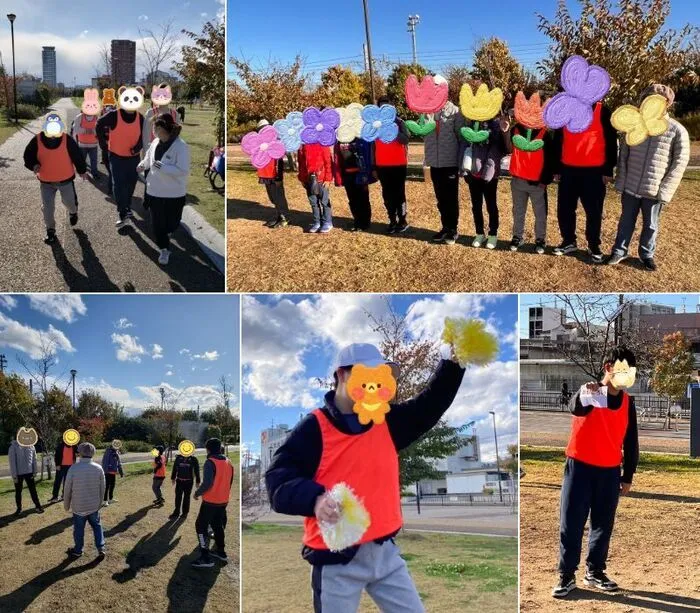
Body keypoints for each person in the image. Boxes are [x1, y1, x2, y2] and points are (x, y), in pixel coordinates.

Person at [265, 342, 466, 612]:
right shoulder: (314, 428)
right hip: (335, 560)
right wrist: (315, 500)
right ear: (341, 375)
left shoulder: (387, 421)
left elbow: (428, 407)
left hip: (385, 553)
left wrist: (453, 363)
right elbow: (277, 480)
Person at [553, 347, 639, 598]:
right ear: (608, 368)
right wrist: (583, 393)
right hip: (579, 468)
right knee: (572, 523)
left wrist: (627, 476)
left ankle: (595, 571)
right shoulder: (593, 393)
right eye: (621, 370)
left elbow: (631, 441)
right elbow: (575, 408)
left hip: (609, 471)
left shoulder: (627, 402)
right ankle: (566, 575)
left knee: (603, 524)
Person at [607, 84, 690, 271]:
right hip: (630, 187)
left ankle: (646, 254)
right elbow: (624, 156)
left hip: (654, 190)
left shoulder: (677, 130)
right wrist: (621, 180)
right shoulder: (633, 125)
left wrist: (665, 190)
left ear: (667, 104)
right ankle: (620, 251)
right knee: (625, 221)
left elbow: (680, 163)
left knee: (651, 225)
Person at [551, 99, 617, 262]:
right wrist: (557, 168)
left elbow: (611, 141)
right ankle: (568, 241)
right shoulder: (566, 109)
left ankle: (594, 245)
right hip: (568, 170)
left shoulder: (603, 111)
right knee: (565, 209)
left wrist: (608, 169)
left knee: (594, 211)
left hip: (594, 172)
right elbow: (558, 139)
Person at [23, 114, 88, 245]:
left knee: (69, 203)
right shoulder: (37, 140)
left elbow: (77, 155)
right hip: (46, 182)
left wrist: (82, 170)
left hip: (65, 180)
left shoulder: (67, 139)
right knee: (48, 208)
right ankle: (50, 231)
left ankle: (73, 212)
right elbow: (27, 155)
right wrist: (34, 164)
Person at [137, 113, 191, 265]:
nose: (153, 130)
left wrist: (162, 167)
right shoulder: (155, 142)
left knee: (173, 224)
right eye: (153, 127)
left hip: (174, 194)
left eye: (156, 128)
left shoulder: (181, 146)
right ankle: (164, 249)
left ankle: (167, 232)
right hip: (155, 191)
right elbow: (149, 158)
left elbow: (183, 170)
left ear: (164, 129)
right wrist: (142, 165)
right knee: (157, 225)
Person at [505, 109, 556, 254]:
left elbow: (550, 159)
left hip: (537, 184)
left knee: (540, 213)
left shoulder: (544, 134)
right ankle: (517, 237)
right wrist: (505, 130)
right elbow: (507, 148)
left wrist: (545, 180)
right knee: (518, 211)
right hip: (518, 181)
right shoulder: (515, 130)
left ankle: (540, 239)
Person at [96, 86, 145, 228]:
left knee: (130, 185)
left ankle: (127, 207)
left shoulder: (140, 118)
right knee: (118, 186)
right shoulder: (113, 115)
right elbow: (99, 124)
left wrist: (138, 147)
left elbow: (144, 135)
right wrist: (103, 144)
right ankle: (122, 212)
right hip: (116, 157)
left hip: (133, 158)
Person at [462, 116, 508, 249]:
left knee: (491, 205)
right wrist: (465, 170)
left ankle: (493, 234)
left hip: (490, 175)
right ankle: (479, 233)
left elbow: (503, 149)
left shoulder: (496, 124)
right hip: (473, 173)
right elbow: (465, 146)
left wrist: (502, 131)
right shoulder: (471, 124)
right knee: (476, 206)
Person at [423, 99, 466, 245]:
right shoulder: (427, 111)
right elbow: (422, 134)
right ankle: (445, 227)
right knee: (441, 199)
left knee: (451, 198)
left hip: (450, 163)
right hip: (435, 163)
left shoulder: (455, 112)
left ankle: (453, 230)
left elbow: (461, 137)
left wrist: (461, 163)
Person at [192, 438, 234, 568]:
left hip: (211, 501)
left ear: (208, 449)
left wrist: (197, 493)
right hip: (223, 501)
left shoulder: (210, 462)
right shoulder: (229, 462)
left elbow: (207, 483)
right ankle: (221, 551)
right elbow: (230, 482)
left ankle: (205, 557)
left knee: (200, 526)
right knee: (217, 525)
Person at [373, 95, 410, 233]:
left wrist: (393, 130)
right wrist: (373, 166)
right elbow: (372, 146)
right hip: (382, 165)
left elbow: (405, 140)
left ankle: (402, 220)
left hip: (398, 165)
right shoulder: (375, 124)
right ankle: (392, 220)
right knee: (387, 194)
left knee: (399, 193)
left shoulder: (399, 122)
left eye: (387, 106)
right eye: (381, 106)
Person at [64, 442, 106, 559]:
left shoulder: (73, 468)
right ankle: (101, 547)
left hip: (79, 506)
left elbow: (67, 489)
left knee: (78, 529)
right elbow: (102, 488)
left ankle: (78, 550)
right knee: (97, 526)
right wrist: (100, 503)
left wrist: (66, 505)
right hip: (93, 506)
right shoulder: (98, 468)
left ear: (79, 453)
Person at [334, 137, 375, 232]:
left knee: (363, 199)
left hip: (361, 173)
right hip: (347, 174)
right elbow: (337, 157)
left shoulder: (361, 137)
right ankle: (357, 221)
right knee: (352, 200)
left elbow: (368, 154)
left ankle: (365, 223)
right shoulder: (340, 139)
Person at [255, 119, 290, 229]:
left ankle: (285, 217)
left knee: (278, 196)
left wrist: (278, 176)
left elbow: (279, 161)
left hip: (274, 174)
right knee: (272, 197)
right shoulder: (261, 144)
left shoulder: (276, 143)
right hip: (265, 174)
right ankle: (278, 215)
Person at [298, 142, 334, 234]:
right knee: (313, 202)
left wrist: (328, 178)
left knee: (324, 201)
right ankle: (317, 222)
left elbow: (328, 162)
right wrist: (302, 178)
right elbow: (301, 163)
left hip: (321, 179)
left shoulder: (322, 144)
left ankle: (327, 222)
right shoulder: (302, 146)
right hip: (309, 180)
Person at [9, 437, 44, 515]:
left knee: (33, 490)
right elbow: (12, 462)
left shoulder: (31, 446)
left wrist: (35, 470)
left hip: (29, 473)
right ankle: (19, 509)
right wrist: (14, 476)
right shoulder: (13, 446)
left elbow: (34, 459)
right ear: (18, 435)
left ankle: (38, 506)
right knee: (18, 491)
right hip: (18, 474)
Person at [169, 448, 201, 520]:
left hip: (189, 482)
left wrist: (197, 481)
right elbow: (175, 468)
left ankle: (185, 513)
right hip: (179, 481)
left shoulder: (194, 459)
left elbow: (197, 470)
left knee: (186, 497)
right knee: (178, 497)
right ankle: (176, 512)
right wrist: (173, 478)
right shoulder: (178, 458)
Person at [71, 108, 100, 179]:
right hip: (82, 145)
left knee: (94, 160)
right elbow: (75, 129)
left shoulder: (97, 117)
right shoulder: (79, 117)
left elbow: (99, 130)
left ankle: (94, 173)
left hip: (94, 144)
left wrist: (92, 131)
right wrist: (88, 131)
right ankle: (82, 172)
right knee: (82, 160)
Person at [48, 438, 78, 503]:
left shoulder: (73, 445)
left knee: (67, 483)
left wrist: (75, 443)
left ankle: (64, 495)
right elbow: (56, 456)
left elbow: (78, 451)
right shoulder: (60, 445)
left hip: (70, 467)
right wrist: (57, 465)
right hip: (61, 467)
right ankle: (55, 497)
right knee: (57, 482)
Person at [101, 441, 124, 506]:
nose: (117, 447)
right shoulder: (108, 451)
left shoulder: (116, 452)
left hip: (113, 472)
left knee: (112, 486)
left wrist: (121, 471)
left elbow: (119, 462)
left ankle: (110, 499)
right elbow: (105, 462)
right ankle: (105, 501)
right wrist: (105, 471)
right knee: (107, 486)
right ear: (113, 445)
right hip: (107, 472)